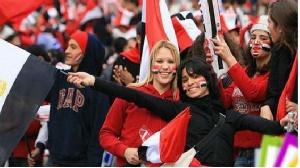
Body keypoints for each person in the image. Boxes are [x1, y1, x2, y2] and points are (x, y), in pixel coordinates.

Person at [67, 57, 295, 167]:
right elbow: (136, 96)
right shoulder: (180, 110)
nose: (190, 83)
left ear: (207, 79)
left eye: (195, 77)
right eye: (185, 80)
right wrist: (94, 82)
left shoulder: (229, 116)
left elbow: (266, 127)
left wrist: (283, 124)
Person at [99, 40, 180, 166]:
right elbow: (106, 134)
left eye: (170, 61)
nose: (165, 66)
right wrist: (124, 151)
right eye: (159, 61)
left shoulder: (180, 101)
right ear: (151, 64)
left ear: (177, 66)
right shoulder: (130, 93)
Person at [211, 15, 273, 167]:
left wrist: (230, 59)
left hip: (266, 148)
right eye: (253, 37)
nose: (256, 42)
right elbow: (225, 101)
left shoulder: (274, 74)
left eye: (263, 38)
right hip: (240, 151)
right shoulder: (244, 72)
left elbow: (253, 93)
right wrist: (215, 74)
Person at [46, 30, 110, 166]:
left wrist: (93, 163)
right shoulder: (59, 77)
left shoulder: (98, 88)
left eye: (73, 47)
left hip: (81, 162)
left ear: (87, 52)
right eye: (68, 46)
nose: (67, 50)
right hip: (55, 158)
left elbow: (98, 132)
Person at [9, 45, 51, 167]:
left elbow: (38, 122)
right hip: (16, 151)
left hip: (33, 152)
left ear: (40, 59)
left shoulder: (50, 81)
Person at [260, 0, 298, 120]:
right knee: (269, 139)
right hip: (285, 126)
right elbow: (273, 94)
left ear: (280, 27)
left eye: (269, 22)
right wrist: (266, 106)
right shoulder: (278, 51)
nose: (268, 27)